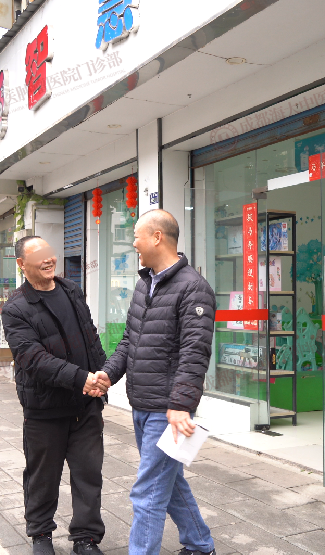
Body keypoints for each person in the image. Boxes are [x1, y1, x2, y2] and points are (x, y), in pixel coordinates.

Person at [97, 209, 217, 555]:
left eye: (136, 236)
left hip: (167, 410)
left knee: (147, 491)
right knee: (170, 482)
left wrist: (180, 404)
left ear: (157, 237)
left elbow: (195, 351)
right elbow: (130, 340)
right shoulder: (144, 283)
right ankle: (200, 545)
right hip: (142, 404)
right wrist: (108, 374)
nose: (133, 243)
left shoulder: (193, 288)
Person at [2, 235, 110, 555]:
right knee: (42, 477)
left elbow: (90, 337)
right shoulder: (16, 308)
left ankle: (86, 538)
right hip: (45, 409)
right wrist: (81, 379)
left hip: (85, 405)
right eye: (38, 255)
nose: (48, 259)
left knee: (88, 474)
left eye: (49, 252)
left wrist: (101, 374)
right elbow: (33, 359)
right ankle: (41, 535)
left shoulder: (71, 290)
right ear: (22, 264)